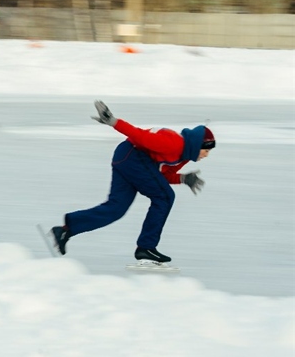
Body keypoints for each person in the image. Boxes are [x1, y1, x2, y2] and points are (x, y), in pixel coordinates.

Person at [50, 100, 215, 263]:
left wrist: (183, 178)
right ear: (196, 145)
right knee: (165, 197)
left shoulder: (184, 156)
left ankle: (66, 230)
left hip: (126, 158)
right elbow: (139, 136)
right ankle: (146, 248)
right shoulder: (173, 143)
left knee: (116, 209)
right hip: (133, 156)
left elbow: (159, 177)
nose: (206, 155)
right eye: (206, 150)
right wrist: (113, 121)